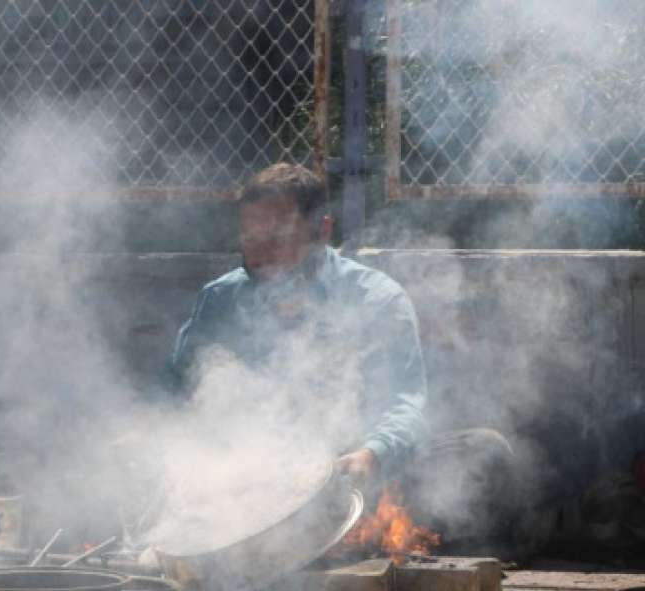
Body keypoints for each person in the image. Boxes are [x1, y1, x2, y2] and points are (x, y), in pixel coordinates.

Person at [165, 163, 518, 551]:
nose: (260, 251)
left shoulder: (376, 298)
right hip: (255, 487)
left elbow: (404, 404)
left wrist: (372, 455)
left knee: (487, 453)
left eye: (277, 236)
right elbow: (173, 392)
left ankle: (397, 556)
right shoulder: (220, 301)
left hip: (353, 478)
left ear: (323, 231)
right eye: (250, 236)